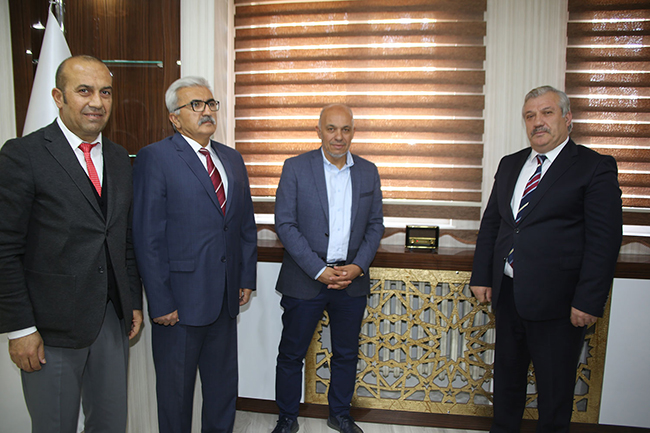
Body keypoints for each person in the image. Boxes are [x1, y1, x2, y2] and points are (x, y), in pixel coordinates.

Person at [0, 55, 143, 433]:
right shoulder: (23, 154)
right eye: (84, 91)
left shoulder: (118, 157)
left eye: (105, 92)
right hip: (50, 328)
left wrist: (133, 300)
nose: (97, 102)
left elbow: (123, 238)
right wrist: (20, 330)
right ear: (58, 97)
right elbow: (4, 248)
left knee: (110, 424)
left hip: (111, 320)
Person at [470, 86, 622, 432]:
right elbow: (493, 223)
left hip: (560, 304)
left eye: (547, 113)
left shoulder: (593, 167)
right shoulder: (510, 164)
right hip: (509, 294)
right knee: (506, 383)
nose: (537, 122)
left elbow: (604, 240)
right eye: (530, 116)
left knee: (554, 393)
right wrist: (481, 275)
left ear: (568, 118)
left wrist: (588, 300)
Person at [132, 76, 257, 433]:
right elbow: (147, 236)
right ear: (174, 118)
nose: (207, 112)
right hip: (179, 305)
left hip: (225, 299)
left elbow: (244, 225)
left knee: (222, 391)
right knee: (176, 396)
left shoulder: (232, 159)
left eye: (211, 104)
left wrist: (245, 278)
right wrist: (160, 301)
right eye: (196, 105)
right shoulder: (155, 157)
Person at [272, 104, 384, 433]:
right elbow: (285, 224)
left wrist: (358, 266)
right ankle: (287, 418)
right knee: (291, 353)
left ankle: (340, 414)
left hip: (351, 281)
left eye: (345, 129)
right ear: (318, 130)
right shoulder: (295, 167)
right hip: (305, 278)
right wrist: (318, 269)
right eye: (331, 128)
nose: (339, 136)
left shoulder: (368, 171)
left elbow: (375, 225)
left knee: (346, 353)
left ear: (353, 132)